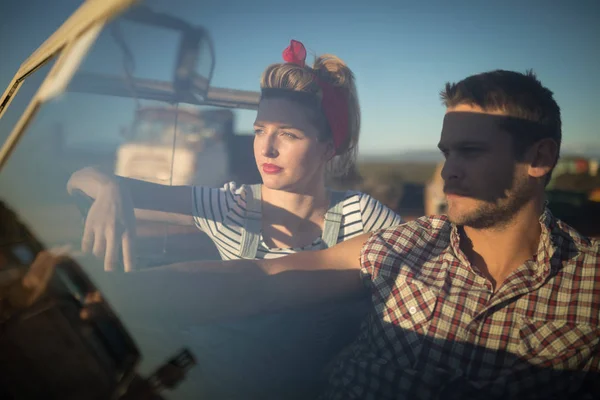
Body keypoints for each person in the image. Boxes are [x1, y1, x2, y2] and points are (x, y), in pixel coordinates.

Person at [101, 69, 600, 399]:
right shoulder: (406, 245)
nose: (448, 172)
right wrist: (113, 294)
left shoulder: (589, 286)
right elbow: (259, 277)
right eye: (446, 154)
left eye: (470, 153)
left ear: (538, 158)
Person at [67, 39, 402, 399]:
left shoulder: (364, 217)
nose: (266, 148)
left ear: (328, 147)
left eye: (287, 134)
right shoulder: (232, 206)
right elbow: (79, 180)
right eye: (260, 130)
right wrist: (110, 187)